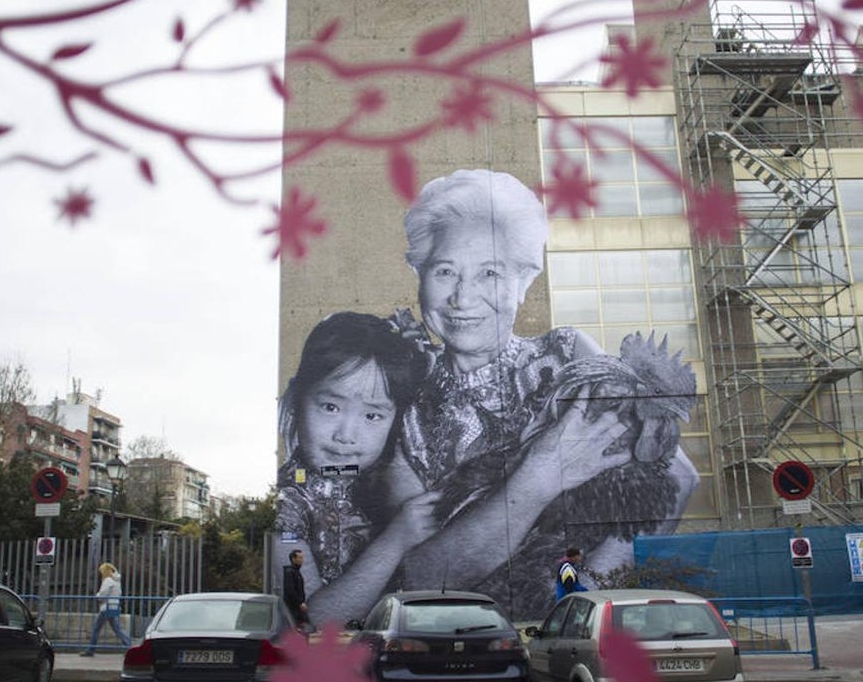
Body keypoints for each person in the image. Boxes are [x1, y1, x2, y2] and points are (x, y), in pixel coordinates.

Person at [390, 169, 699, 618]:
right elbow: (421, 573)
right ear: (418, 274)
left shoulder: (566, 353)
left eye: (490, 272)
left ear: (524, 281)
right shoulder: (404, 418)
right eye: (445, 271)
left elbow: (679, 477)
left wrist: (586, 595)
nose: (463, 297)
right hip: (463, 626)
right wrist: (540, 475)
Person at [274, 311, 438, 624]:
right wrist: (396, 539)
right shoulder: (286, 506)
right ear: (296, 401)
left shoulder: (381, 481)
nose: (346, 436)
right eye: (330, 407)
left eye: (372, 416)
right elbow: (312, 621)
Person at [80, 562, 130, 656]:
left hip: (106, 607)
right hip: (114, 606)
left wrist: (97, 595)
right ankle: (129, 646)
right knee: (117, 629)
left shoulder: (108, 581)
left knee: (96, 628)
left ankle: (90, 650)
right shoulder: (116, 581)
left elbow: (102, 595)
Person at [282, 549, 309, 629]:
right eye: (300, 558)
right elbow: (290, 590)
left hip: (298, 606)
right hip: (293, 606)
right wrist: (300, 603)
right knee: (297, 626)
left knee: (303, 626)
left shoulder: (296, 572)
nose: (302, 560)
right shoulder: (290, 572)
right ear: (293, 559)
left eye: (302, 557)